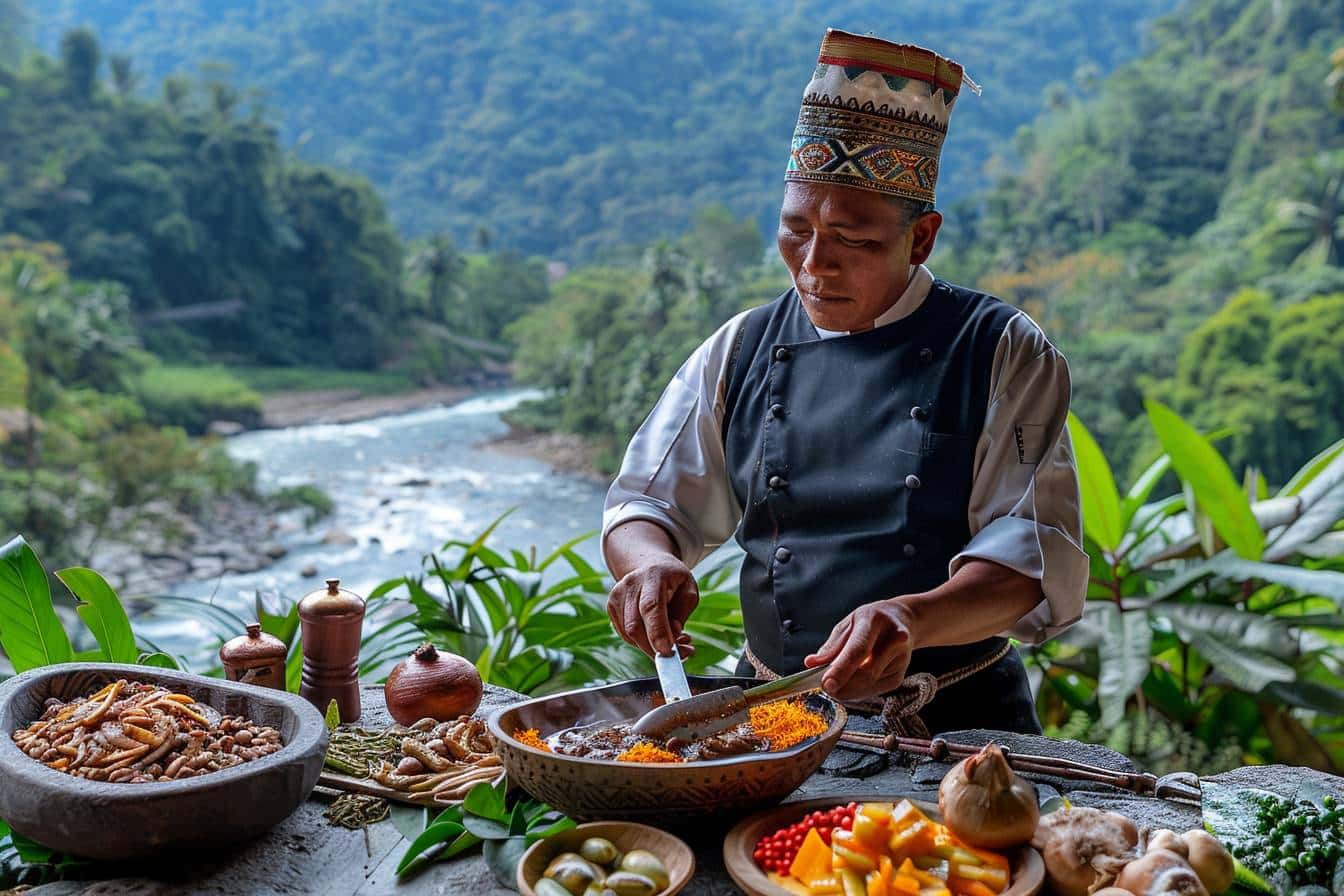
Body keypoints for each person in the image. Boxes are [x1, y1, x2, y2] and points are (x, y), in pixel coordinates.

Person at [601, 29, 1088, 735]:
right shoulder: (741, 346)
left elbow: (1032, 555)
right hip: (771, 717)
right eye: (795, 231)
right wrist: (647, 564)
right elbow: (645, 502)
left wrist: (910, 617)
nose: (813, 266)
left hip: (955, 727)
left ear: (921, 239)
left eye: (854, 240)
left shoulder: (1001, 349)